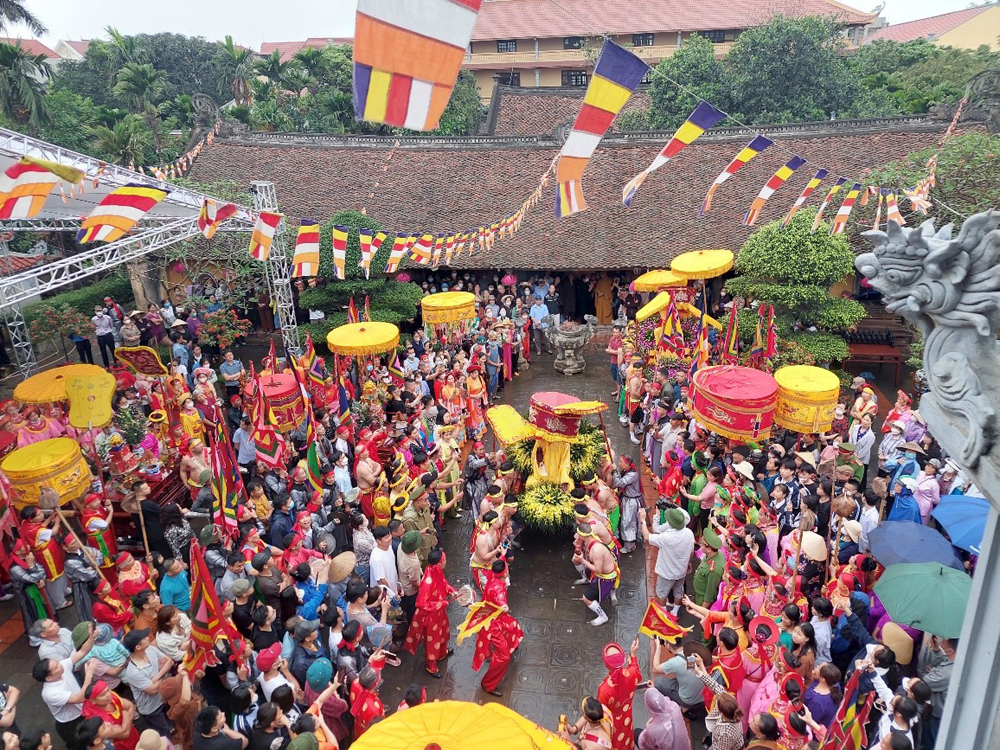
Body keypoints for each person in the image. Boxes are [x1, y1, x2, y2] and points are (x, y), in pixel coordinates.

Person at [32, 623, 99, 746]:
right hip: (71, 723)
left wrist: (91, 637)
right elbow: (80, 698)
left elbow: (82, 651)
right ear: (49, 677)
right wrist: (88, 675)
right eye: (56, 666)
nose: (60, 665)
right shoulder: (51, 693)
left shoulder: (62, 667)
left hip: (84, 711)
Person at [471, 559, 523, 697]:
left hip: (494, 616)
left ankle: (511, 644)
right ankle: (488, 684)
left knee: (513, 627)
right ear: (505, 572)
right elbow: (501, 601)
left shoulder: (492, 576)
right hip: (492, 623)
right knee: (504, 657)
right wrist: (504, 607)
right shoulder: (498, 589)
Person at [403, 548, 456, 678]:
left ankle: (442, 653)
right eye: (444, 560)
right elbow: (421, 604)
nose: (446, 562)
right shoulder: (428, 581)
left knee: (443, 632)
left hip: (439, 613)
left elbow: (443, 583)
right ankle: (431, 666)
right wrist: (442, 603)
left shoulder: (435, 571)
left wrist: (451, 590)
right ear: (439, 563)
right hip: (431, 616)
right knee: (432, 641)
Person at [642, 506, 694, 613]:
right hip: (681, 571)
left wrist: (643, 520)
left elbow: (647, 537)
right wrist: (688, 563)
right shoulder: (689, 533)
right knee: (678, 591)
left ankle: (664, 614)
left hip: (666, 573)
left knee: (661, 594)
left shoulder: (666, 537)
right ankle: (675, 612)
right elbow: (691, 552)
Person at [121, 628, 171, 735]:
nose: (148, 638)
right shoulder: (133, 672)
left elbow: (169, 661)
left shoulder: (150, 650)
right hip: (151, 708)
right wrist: (162, 672)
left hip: (162, 698)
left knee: (168, 723)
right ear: (138, 647)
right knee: (162, 732)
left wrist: (156, 677)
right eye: (144, 638)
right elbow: (152, 690)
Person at [597, 639, 643, 750]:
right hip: (627, 717)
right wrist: (633, 654)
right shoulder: (632, 674)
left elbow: (601, 712)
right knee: (626, 737)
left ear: (606, 664)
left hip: (612, 723)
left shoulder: (604, 689)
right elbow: (636, 670)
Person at [611, 455, 642, 554]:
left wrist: (614, 471)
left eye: (620, 462)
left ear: (627, 464)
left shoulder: (632, 474)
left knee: (628, 522)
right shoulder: (627, 471)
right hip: (626, 499)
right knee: (626, 521)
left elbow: (620, 483)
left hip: (631, 502)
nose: (619, 463)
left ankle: (629, 545)